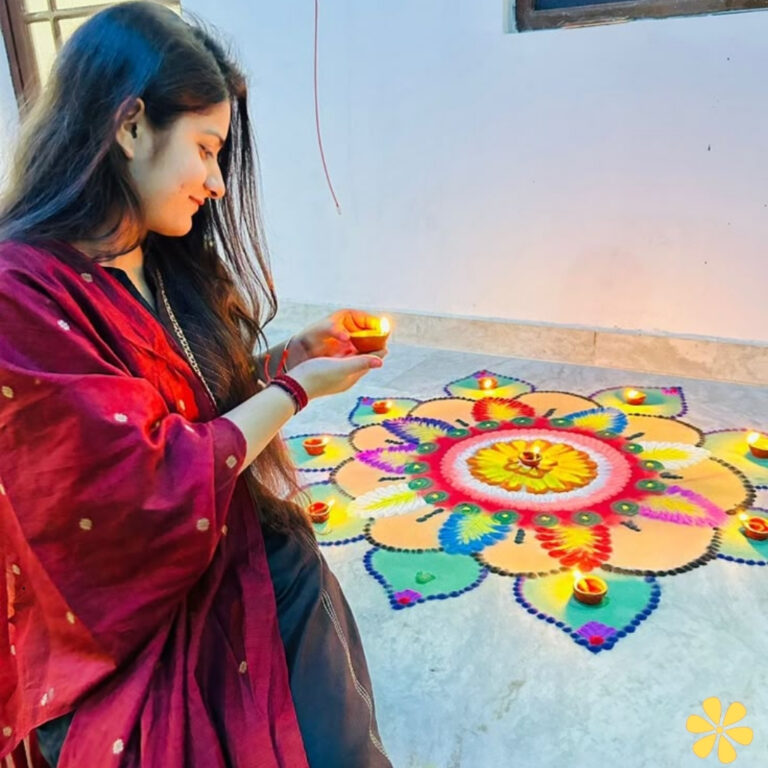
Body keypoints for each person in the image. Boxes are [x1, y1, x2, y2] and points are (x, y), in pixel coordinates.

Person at [0, 3, 392, 766]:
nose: (216, 182)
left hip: (248, 557)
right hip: (125, 626)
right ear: (131, 127)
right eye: (207, 149)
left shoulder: (158, 255)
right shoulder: (22, 292)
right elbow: (141, 481)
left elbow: (191, 413)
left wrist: (282, 361)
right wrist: (296, 392)